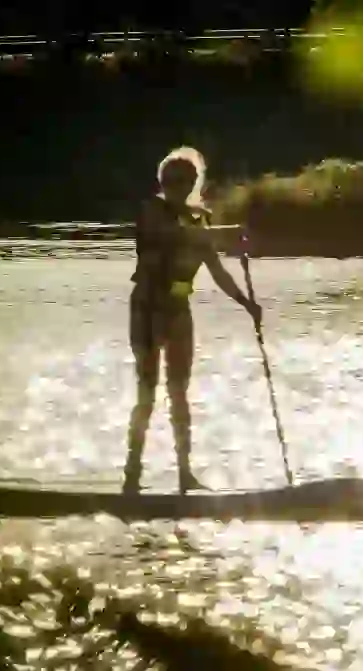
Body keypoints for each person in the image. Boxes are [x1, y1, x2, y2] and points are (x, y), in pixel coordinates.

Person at [124, 147, 262, 495]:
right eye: (171, 181)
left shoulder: (199, 221)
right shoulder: (151, 212)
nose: (178, 187)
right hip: (146, 310)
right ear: (162, 182)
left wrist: (246, 303)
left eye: (185, 181)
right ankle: (132, 475)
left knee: (180, 393)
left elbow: (216, 270)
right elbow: (174, 235)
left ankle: (185, 474)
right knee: (147, 392)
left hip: (177, 311)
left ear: (192, 183)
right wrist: (229, 232)